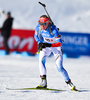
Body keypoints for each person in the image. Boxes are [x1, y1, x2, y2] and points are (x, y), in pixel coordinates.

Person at [34, 15, 76, 90]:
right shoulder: (38, 27)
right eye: (40, 24)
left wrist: (48, 44)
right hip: (46, 46)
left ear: (47, 23)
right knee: (41, 61)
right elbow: (36, 36)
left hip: (56, 48)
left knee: (59, 67)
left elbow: (59, 43)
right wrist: (40, 42)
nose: (42, 26)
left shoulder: (53, 29)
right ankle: (43, 82)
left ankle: (69, 82)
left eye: (44, 24)